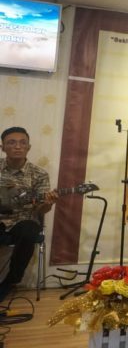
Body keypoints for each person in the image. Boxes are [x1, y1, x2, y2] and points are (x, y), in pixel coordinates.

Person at [0, 127, 58, 301]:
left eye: (22, 142)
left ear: (28, 147)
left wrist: (47, 204)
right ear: (3, 147)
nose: (17, 146)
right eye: (11, 142)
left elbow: (41, 210)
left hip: (23, 222)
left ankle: (10, 281)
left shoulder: (39, 174)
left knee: (29, 230)